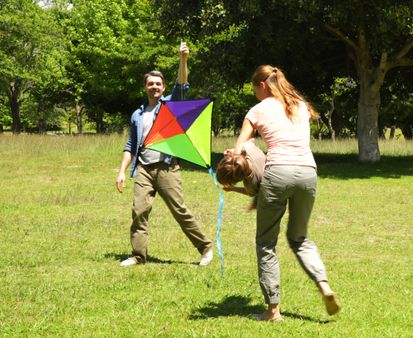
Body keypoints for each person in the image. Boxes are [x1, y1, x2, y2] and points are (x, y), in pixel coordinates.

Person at [232, 65, 340, 321]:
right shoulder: (299, 104)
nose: (254, 93)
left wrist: (234, 166)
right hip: (308, 173)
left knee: (266, 242)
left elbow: (240, 149)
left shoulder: (257, 110)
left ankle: (272, 310)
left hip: (278, 171)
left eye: (253, 89)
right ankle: (323, 284)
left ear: (262, 86)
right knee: (299, 238)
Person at [115, 43, 214, 267]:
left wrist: (183, 59)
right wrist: (121, 171)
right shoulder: (137, 114)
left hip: (167, 168)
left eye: (158, 84)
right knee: (139, 210)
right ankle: (139, 256)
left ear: (163, 87)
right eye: (150, 84)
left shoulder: (170, 105)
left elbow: (182, 85)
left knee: (179, 210)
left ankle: (206, 247)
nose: (154, 87)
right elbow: (131, 144)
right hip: (144, 169)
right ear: (145, 87)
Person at [215, 139, 266, 211]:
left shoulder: (251, 183)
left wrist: (232, 188)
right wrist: (234, 151)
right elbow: (251, 139)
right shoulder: (247, 147)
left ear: (238, 179)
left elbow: (250, 192)